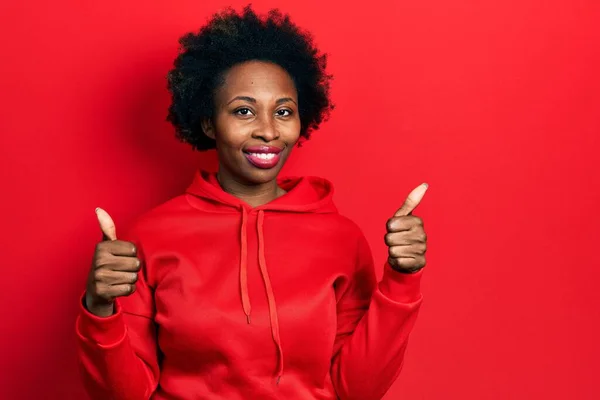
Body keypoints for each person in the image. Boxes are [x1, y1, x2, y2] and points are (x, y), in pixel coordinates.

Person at [75, 5, 429, 400]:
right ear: (209, 123)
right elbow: (123, 395)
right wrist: (100, 307)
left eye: (283, 112)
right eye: (243, 111)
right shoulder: (149, 236)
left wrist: (401, 279)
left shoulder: (342, 239)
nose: (267, 130)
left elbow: (358, 390)